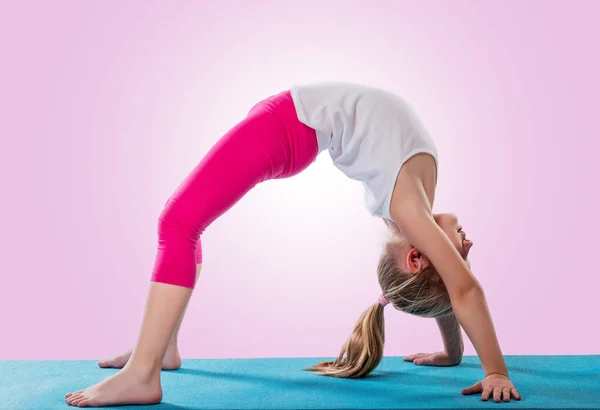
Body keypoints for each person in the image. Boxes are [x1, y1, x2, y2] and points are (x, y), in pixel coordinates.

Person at [65, 82, 521, 407]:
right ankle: (162, 348)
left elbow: (463, 291)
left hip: (285, 129)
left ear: (417, 256)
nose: (467, 241)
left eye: (461, 251)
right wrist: (454, 354)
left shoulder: (408, 208)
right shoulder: (418, 201)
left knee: (177, 222)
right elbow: (448, 287)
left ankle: (143, 375)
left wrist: (495, 371)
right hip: (288, 126)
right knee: (190, 224)